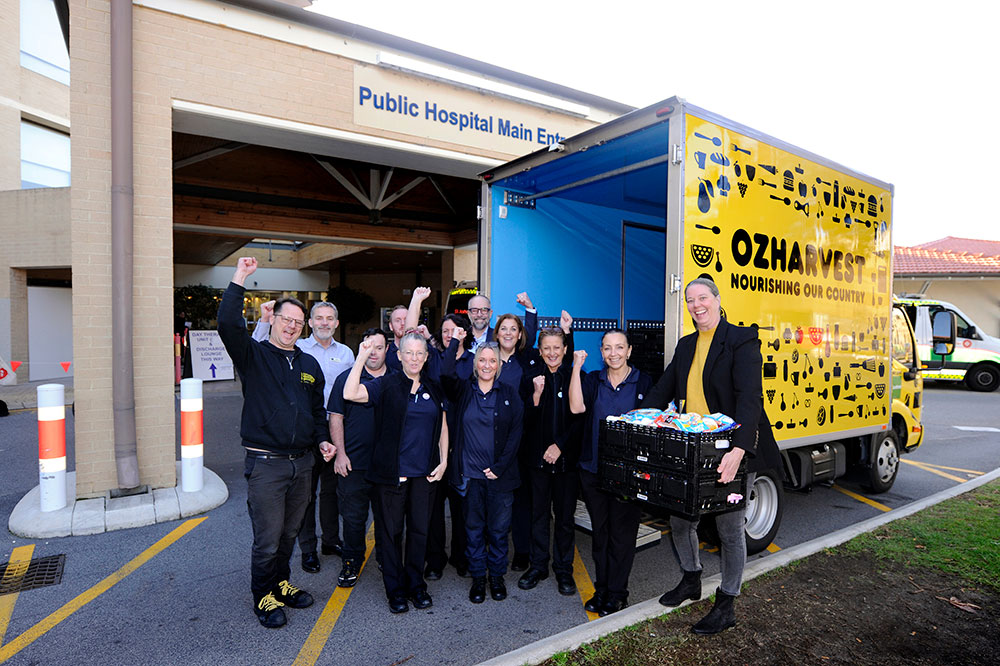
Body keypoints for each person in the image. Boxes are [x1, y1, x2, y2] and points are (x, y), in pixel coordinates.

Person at [641, 277, 781, 635]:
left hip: (734, 447)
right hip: (696, 447)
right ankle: (691, 580)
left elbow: (751, 398)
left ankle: (727, 603)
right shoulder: (686, 345)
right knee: (680, 520)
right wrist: (636, 419)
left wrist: (738, 449)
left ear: (717, 300)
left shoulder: (741, 340)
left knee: (729, 529)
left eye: (703, 298)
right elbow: (663, 387)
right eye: (690, 300)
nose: (696, 305)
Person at [217, 257, 334, 629]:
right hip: (266, 464)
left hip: (302, 464)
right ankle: (263, 596)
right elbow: (226, 324)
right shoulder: (253, 356)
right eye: (286, 319)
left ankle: (281, 585)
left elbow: (317, 412)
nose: (292, 326)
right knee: (266, 540)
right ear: (273, 320)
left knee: (288, 535)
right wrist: (240, 277)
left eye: (298, 323)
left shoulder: (309, 365)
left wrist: (324, 441)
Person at [341, 332, 449, 614]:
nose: (414, 358)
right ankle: (395, 590)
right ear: (399, 356)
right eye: (408, 353)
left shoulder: (434, 387)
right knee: (390, 534)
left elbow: (443, 424)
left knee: (419, 531)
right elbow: (350, 393)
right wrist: (362, 356)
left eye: (419, 353)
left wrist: (444, 460)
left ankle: (416, 585)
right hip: (391, 476)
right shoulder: (386, 384)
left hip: (424, 475)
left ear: (426, 358)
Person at [254, 300, 355, 573]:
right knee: (305, 496)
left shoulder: (347, 354)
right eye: (318, 318)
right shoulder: (298, 349)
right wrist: (264, 320)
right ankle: (308, 550)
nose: (324, 322)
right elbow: (258, 351)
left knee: (332, 492)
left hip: (333, 430)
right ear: (310, 323)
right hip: (303, 432)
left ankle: (331, 541)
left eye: (329, 318)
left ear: (336, 322)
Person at [568, 332, 653, 616]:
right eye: (607, 348)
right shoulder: (594, 379)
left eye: (619, 347)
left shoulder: (643, 382)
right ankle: (602, 590)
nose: (613, 353)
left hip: (629, 474)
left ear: (629, 350)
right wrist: (576, 369)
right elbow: (576, 407)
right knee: (601, 535)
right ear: (601, 352)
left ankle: (618, 593)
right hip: (594, 471)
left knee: (622, 535)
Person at [440, 329, 524, 603]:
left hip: (500, 477)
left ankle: (496, 577)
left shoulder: (510, 394)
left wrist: (499, 466)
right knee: (473, 531)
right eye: (482, 360)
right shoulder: (464, 390)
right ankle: (478, 578)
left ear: (499, 365)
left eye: (492, 361)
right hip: (471, 476)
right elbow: (445, 372)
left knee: (499, 532)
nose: (487, 365)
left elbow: (515, 434)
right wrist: (456, 342)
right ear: (475, 364)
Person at [404, 287, 473, 580]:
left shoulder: (474, 360)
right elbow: (409, 334)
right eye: (445, 330)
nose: (450, 334)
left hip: (463, 446)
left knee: (461, 508)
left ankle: (461, 557)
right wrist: (417, 301)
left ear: (465, 334)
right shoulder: (429, 358)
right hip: (432, 446)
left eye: (456, 329)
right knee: (431, 510)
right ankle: (435, 560)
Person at [517, 312, 581, 597]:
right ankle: (538, 565)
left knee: (565, 519)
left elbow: (580, 418)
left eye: (557, 347)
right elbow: (524, 421)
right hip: (537, 462)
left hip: (566, 462)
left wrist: (560, 446)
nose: (552, 353)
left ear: (564, 349)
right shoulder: (531, 378)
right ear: (540, 351)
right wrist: (535, 398)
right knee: (538, 515)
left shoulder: (575, 376)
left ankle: (564, 570)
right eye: (547, 348)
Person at [327, 327, 392, 588]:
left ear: (388, 349)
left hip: (387, 466)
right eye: (368, 347)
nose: (373, 352)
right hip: (353, 463)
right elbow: (336, 417)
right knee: (353, 519)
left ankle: (387, 559)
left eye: (379, 347)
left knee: (388, 518)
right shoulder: (347, 378)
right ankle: (352, 561)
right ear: (360, 350)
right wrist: (340, 454)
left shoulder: (398, 379)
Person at [384, 304, 409, 372]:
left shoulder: (423, 351)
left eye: (406, 319)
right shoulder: (385, 354)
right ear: (391, 326)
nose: (403, 323)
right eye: (398, 320)